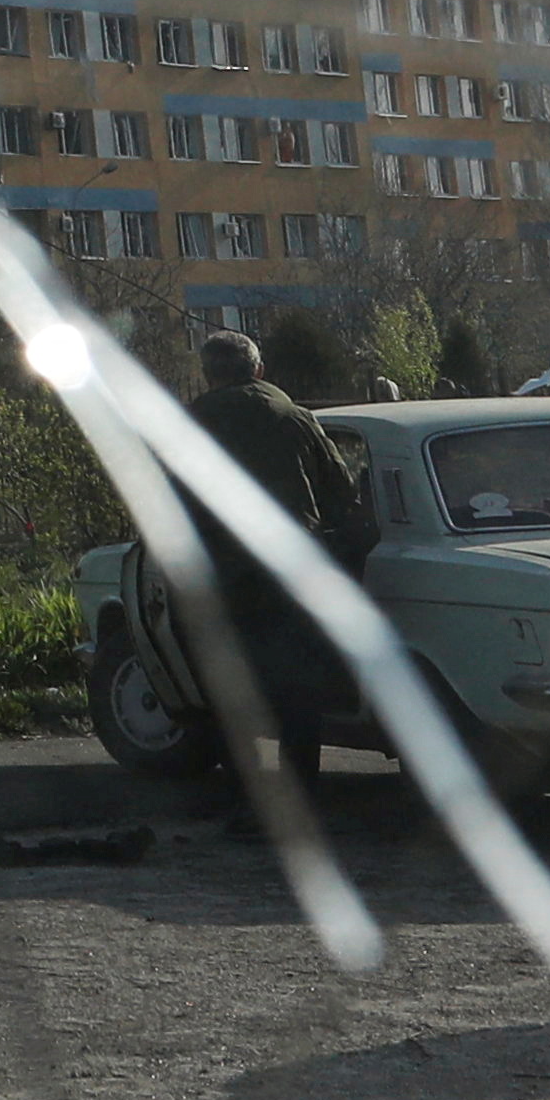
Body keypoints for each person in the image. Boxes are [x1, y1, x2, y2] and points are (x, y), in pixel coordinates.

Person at [186, 325, 359, 827]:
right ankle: (301, 798)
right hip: (290, 572)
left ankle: (244, 799)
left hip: (223, 574)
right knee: (295, 691)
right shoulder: (294, 417)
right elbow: (340, 491)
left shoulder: (192, 423)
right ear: (258, 369)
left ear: (208, 375)